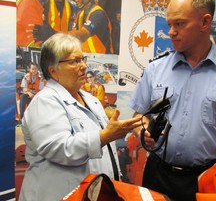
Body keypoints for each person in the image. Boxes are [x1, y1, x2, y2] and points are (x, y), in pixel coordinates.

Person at [129, 0, 216, 201]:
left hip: (207, 177)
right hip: (158, 174)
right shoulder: (156, 68)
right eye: (169, 24)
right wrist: (143, 130)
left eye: (180, 24)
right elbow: (139, 116)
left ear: (205, 22)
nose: (171, 31)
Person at [19, 33, 141, 201]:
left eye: (83, 59)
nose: (83, 65)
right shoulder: (44, 102)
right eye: (74, 61)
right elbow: (60, 148)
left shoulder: (90, 100)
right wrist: (105, 136)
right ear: (53, 70)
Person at [33, 0, 114, 54]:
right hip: (86, 59)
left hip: (102, 62)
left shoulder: (98, 14)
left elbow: (82, 34)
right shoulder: (80, 14)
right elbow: (72, 34)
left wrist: (53, 34)